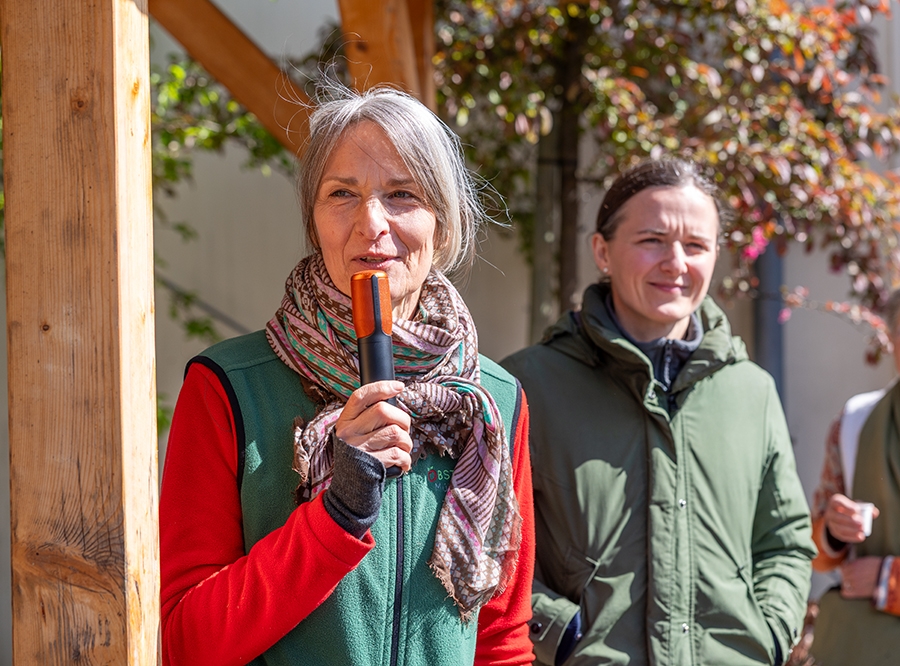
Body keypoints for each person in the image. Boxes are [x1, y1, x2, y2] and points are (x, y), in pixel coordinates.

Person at [159, 84, 535, 665]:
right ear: (314, 223)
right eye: (342, 194)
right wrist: (337, 514)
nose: (371, 223)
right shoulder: (229, 386)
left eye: (402, 194)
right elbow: (187, 641)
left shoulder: (492, 402)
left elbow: (500, 642)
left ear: (442, 223)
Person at [501, 157, 815, 666]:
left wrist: (770, 633)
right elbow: (488, 543)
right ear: (602, 251)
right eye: (652, 240)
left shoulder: (751, 391)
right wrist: (560, 632)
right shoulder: (526, 387)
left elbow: (784, 542)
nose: (676, 263)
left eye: (696, 245)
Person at [808, 288, 900, 665]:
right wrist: (833, 529)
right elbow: (816, 554)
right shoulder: (856, 422)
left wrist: (889, 580)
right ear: (891, 338)